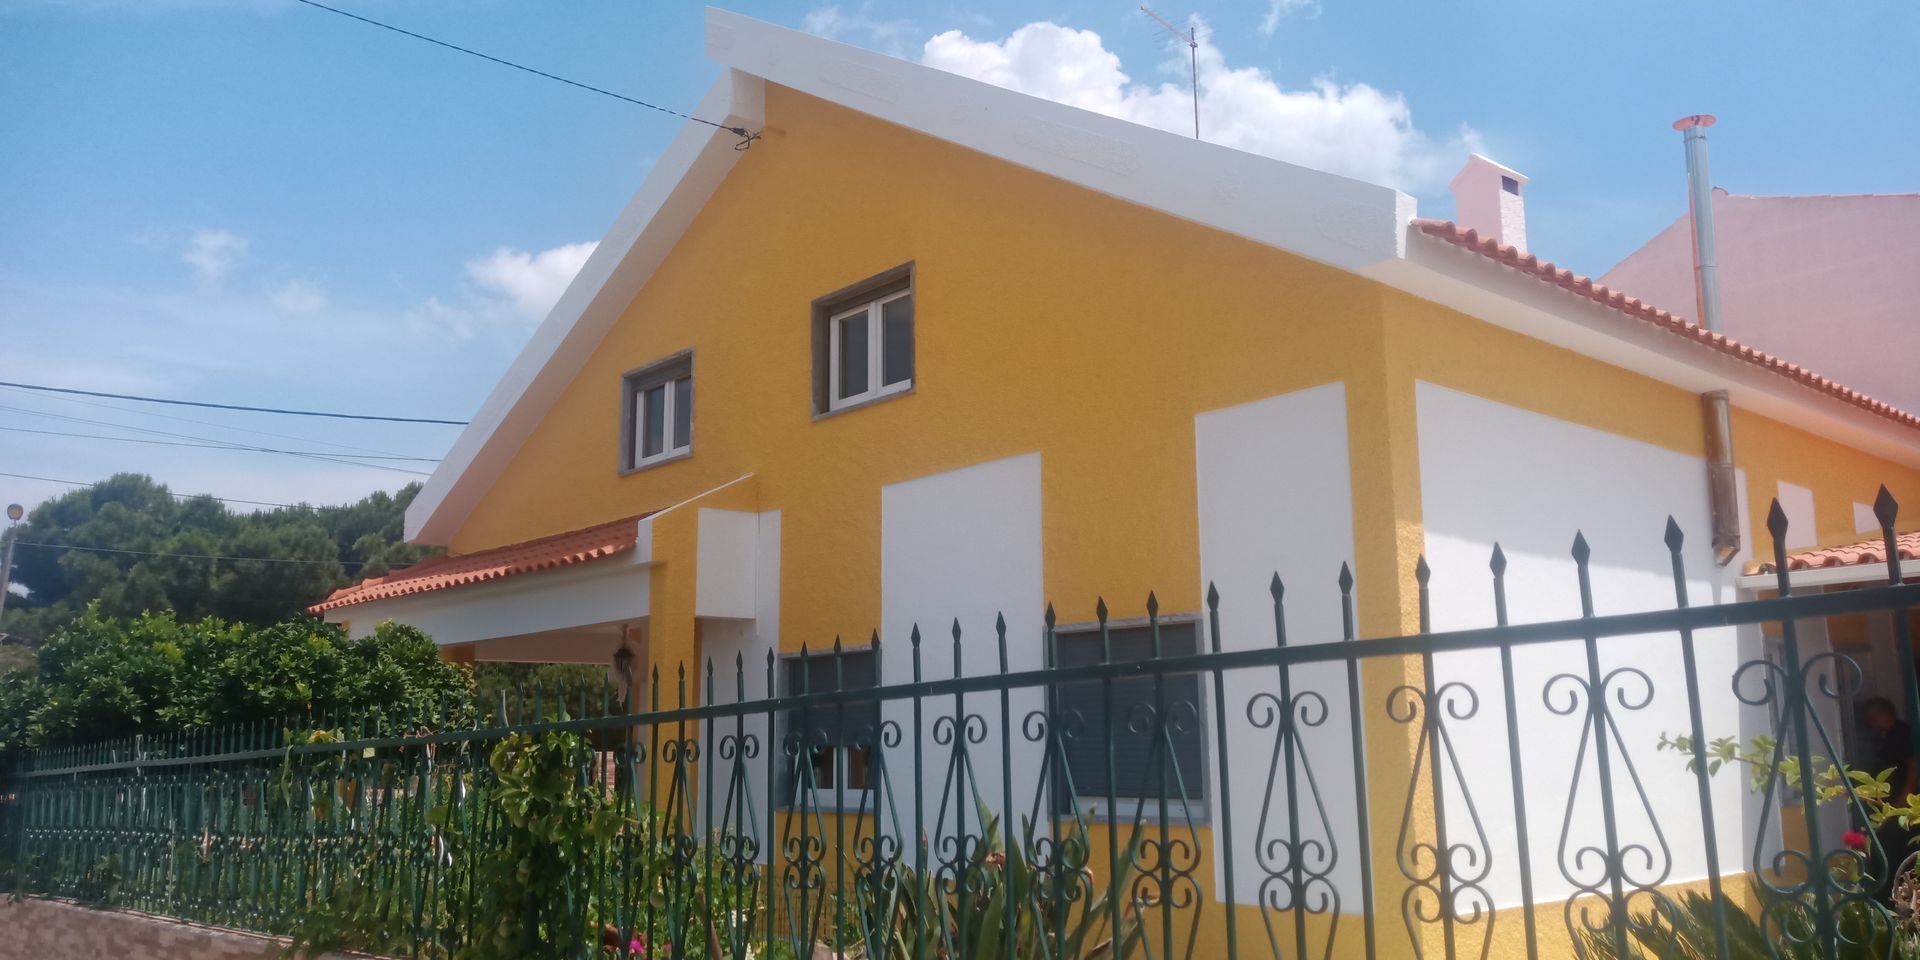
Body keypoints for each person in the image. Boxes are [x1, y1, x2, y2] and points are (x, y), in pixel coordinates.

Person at [1860, 697, 1917, 898]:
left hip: (1902, 809)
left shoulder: (1900, 734)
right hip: (1896, 807)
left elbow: (1913, 767)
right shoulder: (1895, 734)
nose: (1871, 724)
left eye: (1871, 719)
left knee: (1897, 854)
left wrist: (1900, 805)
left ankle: (1895, 899)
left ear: (1880, 715)